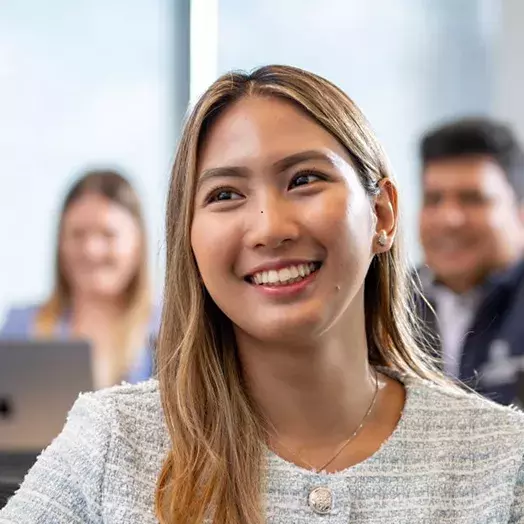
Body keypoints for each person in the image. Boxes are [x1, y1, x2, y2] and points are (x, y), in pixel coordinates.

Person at [2, 66, 524, 524]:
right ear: (189, 236)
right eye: (225, 194)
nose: (268, 228)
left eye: (304, 179)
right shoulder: (111, 445)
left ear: (382, 213)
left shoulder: (500, 458)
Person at [0, 169, 160, 388]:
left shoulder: (171, 331)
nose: (91, 250)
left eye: (108, 234)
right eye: (77, 234)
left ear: (138, 242)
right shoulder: (19, 328)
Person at [417, 118, 524, 405]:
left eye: (473, 199)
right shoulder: (385, 307)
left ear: (520, 214)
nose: (449, 219)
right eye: (434, 199)